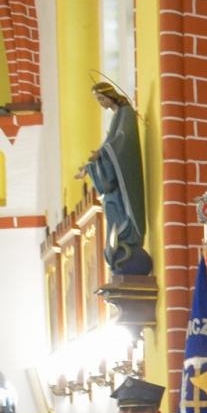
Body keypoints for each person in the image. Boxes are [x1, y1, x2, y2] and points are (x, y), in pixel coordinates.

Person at [78, 81, 151, 275]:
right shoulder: (117, 116)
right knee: (112, 212)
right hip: (115, 188)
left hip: (124, 180)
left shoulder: (126, 113)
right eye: (98, 100)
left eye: (102, 98)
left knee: (119, 215)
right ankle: (120, 247)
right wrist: (90, 166)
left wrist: (101, 154)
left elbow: (122, 141)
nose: (101, 103)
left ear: (110, 95)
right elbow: (109, 144)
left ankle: (127, 240)